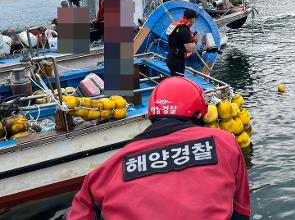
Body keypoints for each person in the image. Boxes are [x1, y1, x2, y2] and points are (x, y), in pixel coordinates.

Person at [68, 77, 251, 220]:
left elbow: (81, 211)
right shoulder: (225, 143)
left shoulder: (106, 171)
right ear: (198, 114)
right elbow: (241, 211)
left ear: (151, 117)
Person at [166, 8, 200, 76]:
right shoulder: (184, 30)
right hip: (177, 62)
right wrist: (195, 41)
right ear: (191, 19)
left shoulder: (176, 26)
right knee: (178, 82)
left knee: (174, 78)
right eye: (194, 19)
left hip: (170, 58)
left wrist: (191, 39)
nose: (194, 22)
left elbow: (177, 40)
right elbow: (189, 49)